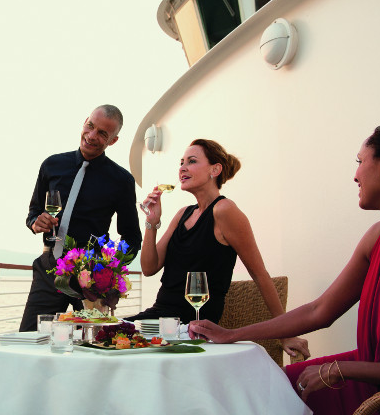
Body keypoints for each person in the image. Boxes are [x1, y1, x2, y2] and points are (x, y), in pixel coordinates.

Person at [189, 117, 380, 415]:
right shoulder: (379, 235)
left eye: (360, 161)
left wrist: (342, 369)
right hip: (371, 382)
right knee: (265, 390)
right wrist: (232, 334)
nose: (355, 175)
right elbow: (319, 310)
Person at [127, 139, 309, 359]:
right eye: (181, 162)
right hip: (162, 321)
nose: (182, 168)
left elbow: (260, 274)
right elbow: (149, 267)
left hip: (192, 324)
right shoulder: (183, 213)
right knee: (104, 334)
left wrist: (286, 333)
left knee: (115, 340)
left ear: (215, 169)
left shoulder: (225, 210)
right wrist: (152, 223)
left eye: (192, 161)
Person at [19, 105, 142, 332]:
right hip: (49, 268)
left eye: (102, 133)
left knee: (92, 343)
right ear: (85, 122)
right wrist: (36, 222)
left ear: (113, 141)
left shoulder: (122, 180)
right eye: (90, 126)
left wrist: (111, 271)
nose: (92, 136)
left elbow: (132, 237)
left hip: (93, 277)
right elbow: (33, 212)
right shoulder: (51, 165)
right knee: (30, 339)